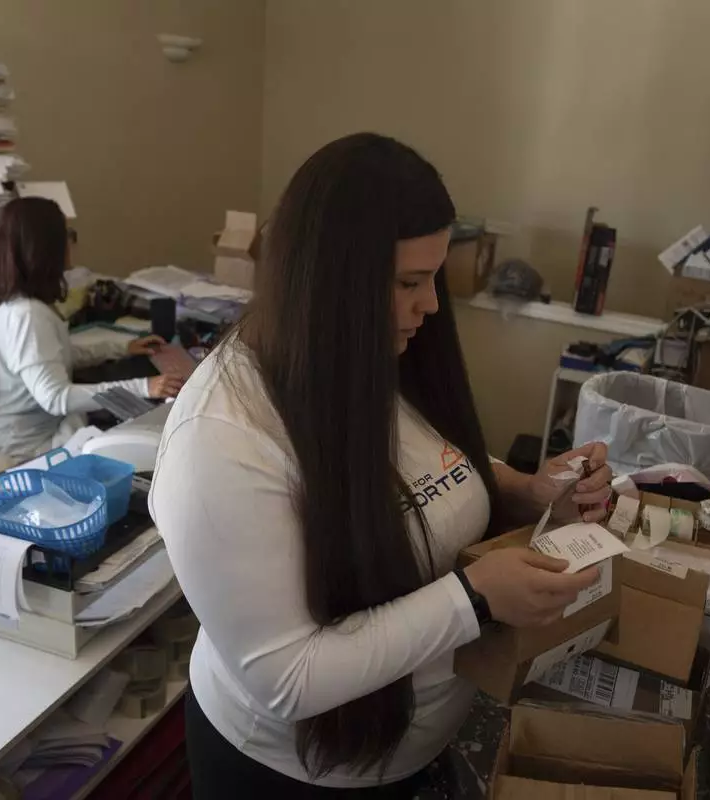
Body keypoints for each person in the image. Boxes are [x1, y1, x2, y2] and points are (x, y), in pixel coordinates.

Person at [149, 134, 614, 798]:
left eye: (433, 278)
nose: (430, 305)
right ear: (330, 282)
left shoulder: (367, 354)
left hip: (409, 749)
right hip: (291, 775)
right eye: (407, 282)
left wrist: (531, 492)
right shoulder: (221, 442)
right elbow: (286, 677)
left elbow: (424, 455)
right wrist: (475, 598)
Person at [0, 197, 182, 459]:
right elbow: (57, 397)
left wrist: (122, 347)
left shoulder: (19, 306)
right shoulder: (26, 316)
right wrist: (145, 387)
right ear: (46, 246)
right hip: (18, 452)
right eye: (67, 235)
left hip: (23, 437)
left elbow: (56, 355)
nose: (72, 243)